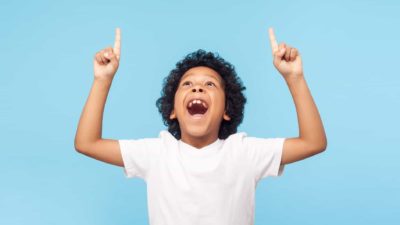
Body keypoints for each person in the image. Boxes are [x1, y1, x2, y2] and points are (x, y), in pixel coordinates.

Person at [74, 27, 327, 225]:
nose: (197, 87)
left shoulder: (243, 152)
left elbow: (313, 142)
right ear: (173, 110)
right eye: (187, 84)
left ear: (227, 110)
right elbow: (87, 143)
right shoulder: (158, 153)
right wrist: (102, 80)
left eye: (210, 85)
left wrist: (295, 78)